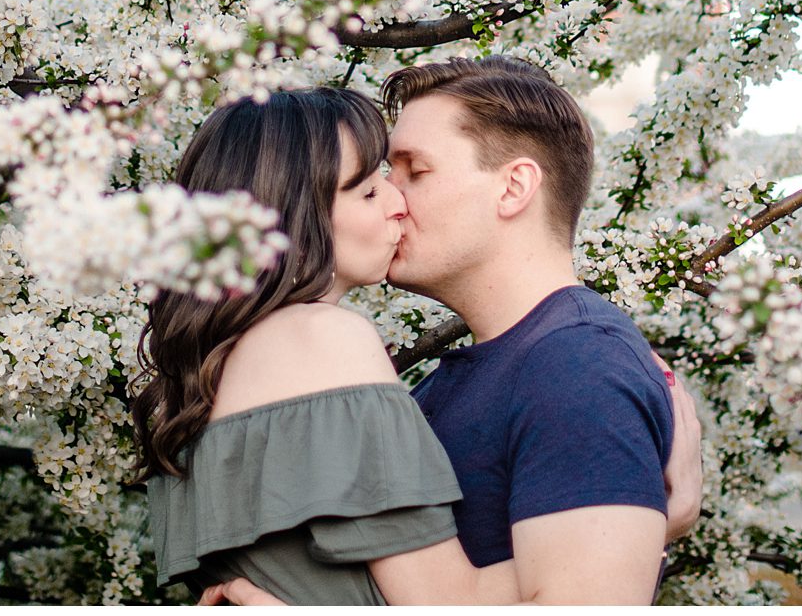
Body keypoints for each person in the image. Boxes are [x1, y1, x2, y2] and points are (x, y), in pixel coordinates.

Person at [185, 58, 704, 607]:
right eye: (378, 179)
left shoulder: (578, 365)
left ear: (513, 187)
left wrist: (630, 547)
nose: (394, 198)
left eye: (415, 170)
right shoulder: (443, 385)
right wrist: (649, 535)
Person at [130, 86, 521, 603]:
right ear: (291, 218)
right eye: (365, 191)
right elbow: (450, 603)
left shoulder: (200, 379)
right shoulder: (321, 338)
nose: (398, 202)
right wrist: (649, 527)